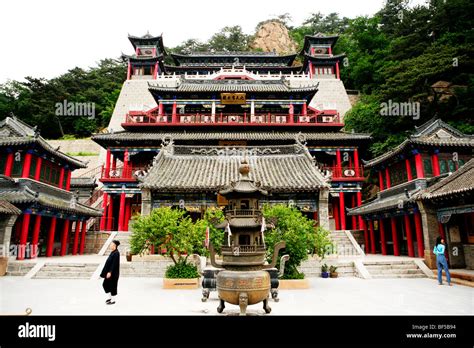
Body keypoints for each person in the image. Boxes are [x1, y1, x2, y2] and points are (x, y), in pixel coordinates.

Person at [100, 240, 121, 304]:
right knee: (105, 284)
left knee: (113, 286)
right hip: (109, 273)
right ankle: (110, 297)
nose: (110, 245)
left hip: (113, 273)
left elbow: (114, 264)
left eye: (111, 244)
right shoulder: (113, 252)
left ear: (114, 245)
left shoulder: (116, 253)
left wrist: (110, 272)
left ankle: (113, 300)